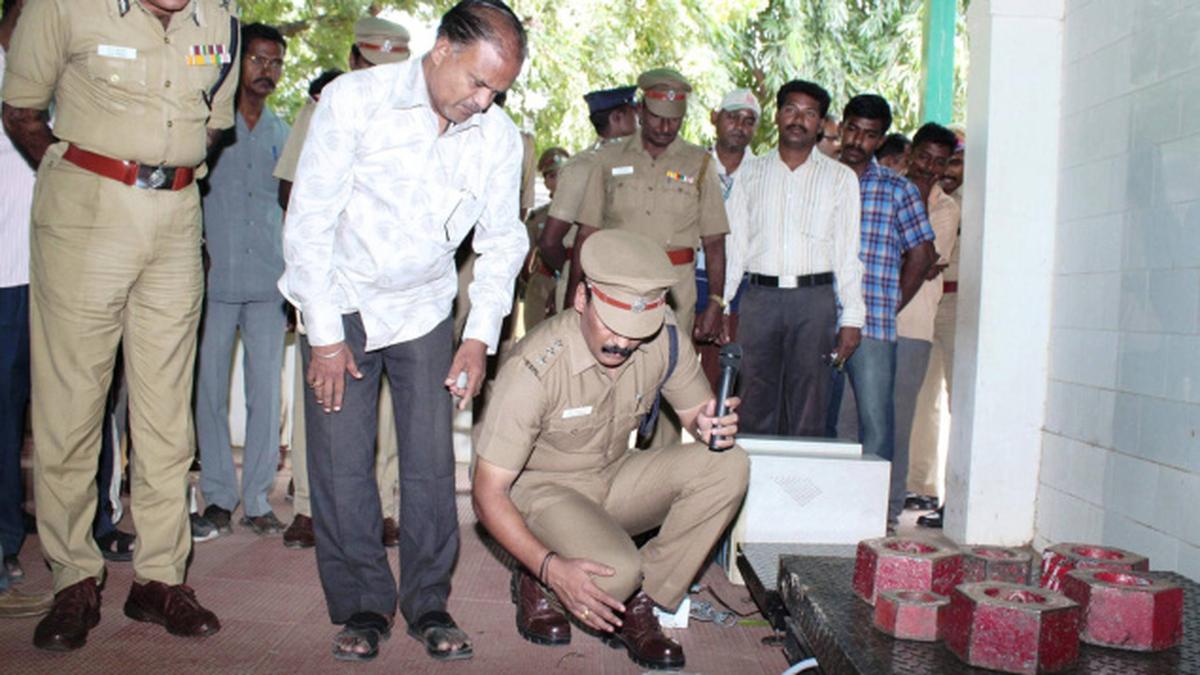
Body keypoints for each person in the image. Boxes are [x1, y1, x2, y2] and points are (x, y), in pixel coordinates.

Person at [278, 0, 528, 662]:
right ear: (442, 48)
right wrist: (325, 336)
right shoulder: (354, 100)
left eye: (497, 91)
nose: (482, 101)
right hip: (342, 298)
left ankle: (428, 603)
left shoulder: (499, 138)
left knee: (427, 460)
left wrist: (478, 336)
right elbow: (308, 222)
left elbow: (503, 243)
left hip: (422, 309)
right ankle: (362, 604)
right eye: (476, 82)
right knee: (340, 459)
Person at [2, 0, 240, 651]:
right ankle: (74, 577)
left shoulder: (222, 18)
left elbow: (214, 122)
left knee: (168, 410)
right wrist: (88, 175)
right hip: (85, 208)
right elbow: (21, 109)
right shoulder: (62, 6)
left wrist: (163, 170)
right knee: (71, 402)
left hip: (177, 216)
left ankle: (159, 578)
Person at [472, 230, 749, 671]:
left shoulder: (663, 340)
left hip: (612, 475)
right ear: (582, 298)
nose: (623, 343)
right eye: (612, 326)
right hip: (543, 492)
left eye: (637, 332)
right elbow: (487, 494)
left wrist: (709, 422)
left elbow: (697, 409)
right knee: (615, 574)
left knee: (728, 465)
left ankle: (642, 604)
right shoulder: (535, 367)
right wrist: (550, 568)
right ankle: (536, 581)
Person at [272, 18, 411, 550]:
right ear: (354, 60)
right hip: (330, 273)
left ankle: (385, 505)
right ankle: (309, 505)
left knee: (387, 402)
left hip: (390, 276)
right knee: (320, 391)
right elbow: (292, 193)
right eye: (371, 67)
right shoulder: (322, 106)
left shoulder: (418, 113)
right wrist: (308, 274)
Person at [726, 80, 865, 437]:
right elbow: (736, 245)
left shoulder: (840, 179)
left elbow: (848, 254)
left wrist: (852, 317)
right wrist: (722, 304)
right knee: (753, 400)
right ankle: (751, 490)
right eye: (791, 109)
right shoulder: (750, 173)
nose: (798, 119)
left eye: (809, 113)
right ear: (777, 116)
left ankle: (800, 491)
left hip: (813, 302)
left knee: (809, 404)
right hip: (760, 300)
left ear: (820, 124)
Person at [195, 22, 291, 537]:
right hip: (212, 283)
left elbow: (294, 210)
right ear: (237, 63)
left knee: (264, 394)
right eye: (256, 60)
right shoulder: (210, 127)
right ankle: (217, 494)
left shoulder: (284, 134)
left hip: (269, 284)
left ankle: (256, 499)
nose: (266, 71)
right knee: (207, 390)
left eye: (275, 62)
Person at [831, 94, 936, 529]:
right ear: (841, 127)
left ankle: (876, 519)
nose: (858, 140)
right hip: (822, 320)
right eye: (852, 129)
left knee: (877, 425)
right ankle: (830, 511)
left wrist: (891, 303)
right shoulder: (822, 179)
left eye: (870, 134)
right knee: (831, 427)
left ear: (881, 139)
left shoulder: (898, 188)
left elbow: (922, 253)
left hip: (873, 324)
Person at [574, 68, 729, 344]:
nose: (665, 128)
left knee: (666, 371)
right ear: (640, 110)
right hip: (614, 285)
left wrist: (716, 301)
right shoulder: (608, 159)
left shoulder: (700, 163)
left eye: (674, 120)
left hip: (674, 292)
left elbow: (715, 241)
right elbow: (586, 233)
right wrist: (575, 293)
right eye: (657, 118)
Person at [894, 122, 960, 518]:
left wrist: (906, 258)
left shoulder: (947, 209)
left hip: (914, 324)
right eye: (924, 157)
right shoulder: (885, 187)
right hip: (870, 323)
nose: (930, 168)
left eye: (940, 162)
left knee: (903, 417)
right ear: (911, 153)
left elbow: (925, 263)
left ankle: (889, 507)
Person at [536, 85, 638, 301]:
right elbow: (549, 242)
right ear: (617, 118)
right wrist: (569, 268)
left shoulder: (641, 164)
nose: (638, 119)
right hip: (585, 284)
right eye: (633, 112)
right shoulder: (583, 167)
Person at [0, 0, 34, 586]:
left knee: (74, 410)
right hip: (4, 275)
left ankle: (95, 527)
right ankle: (5, 537)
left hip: (59, 274)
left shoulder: (62, 74)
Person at [695, 87, 757, 392]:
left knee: (721, 379)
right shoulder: (694, 165)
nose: (740, 127)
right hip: (690, 281)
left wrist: (725, 303)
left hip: (737, 291)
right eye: (733, 117)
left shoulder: (761, 173)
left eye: (748, 121)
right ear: (715, 118)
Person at [521, 147, 570, 334]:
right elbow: (525, 262)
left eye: (562, 174)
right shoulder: (538, 218)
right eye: (552, 176)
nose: (557, 180)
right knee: (533, 340)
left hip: (571, 285)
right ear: (547, 181)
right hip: (541, 286)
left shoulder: (585, 214)